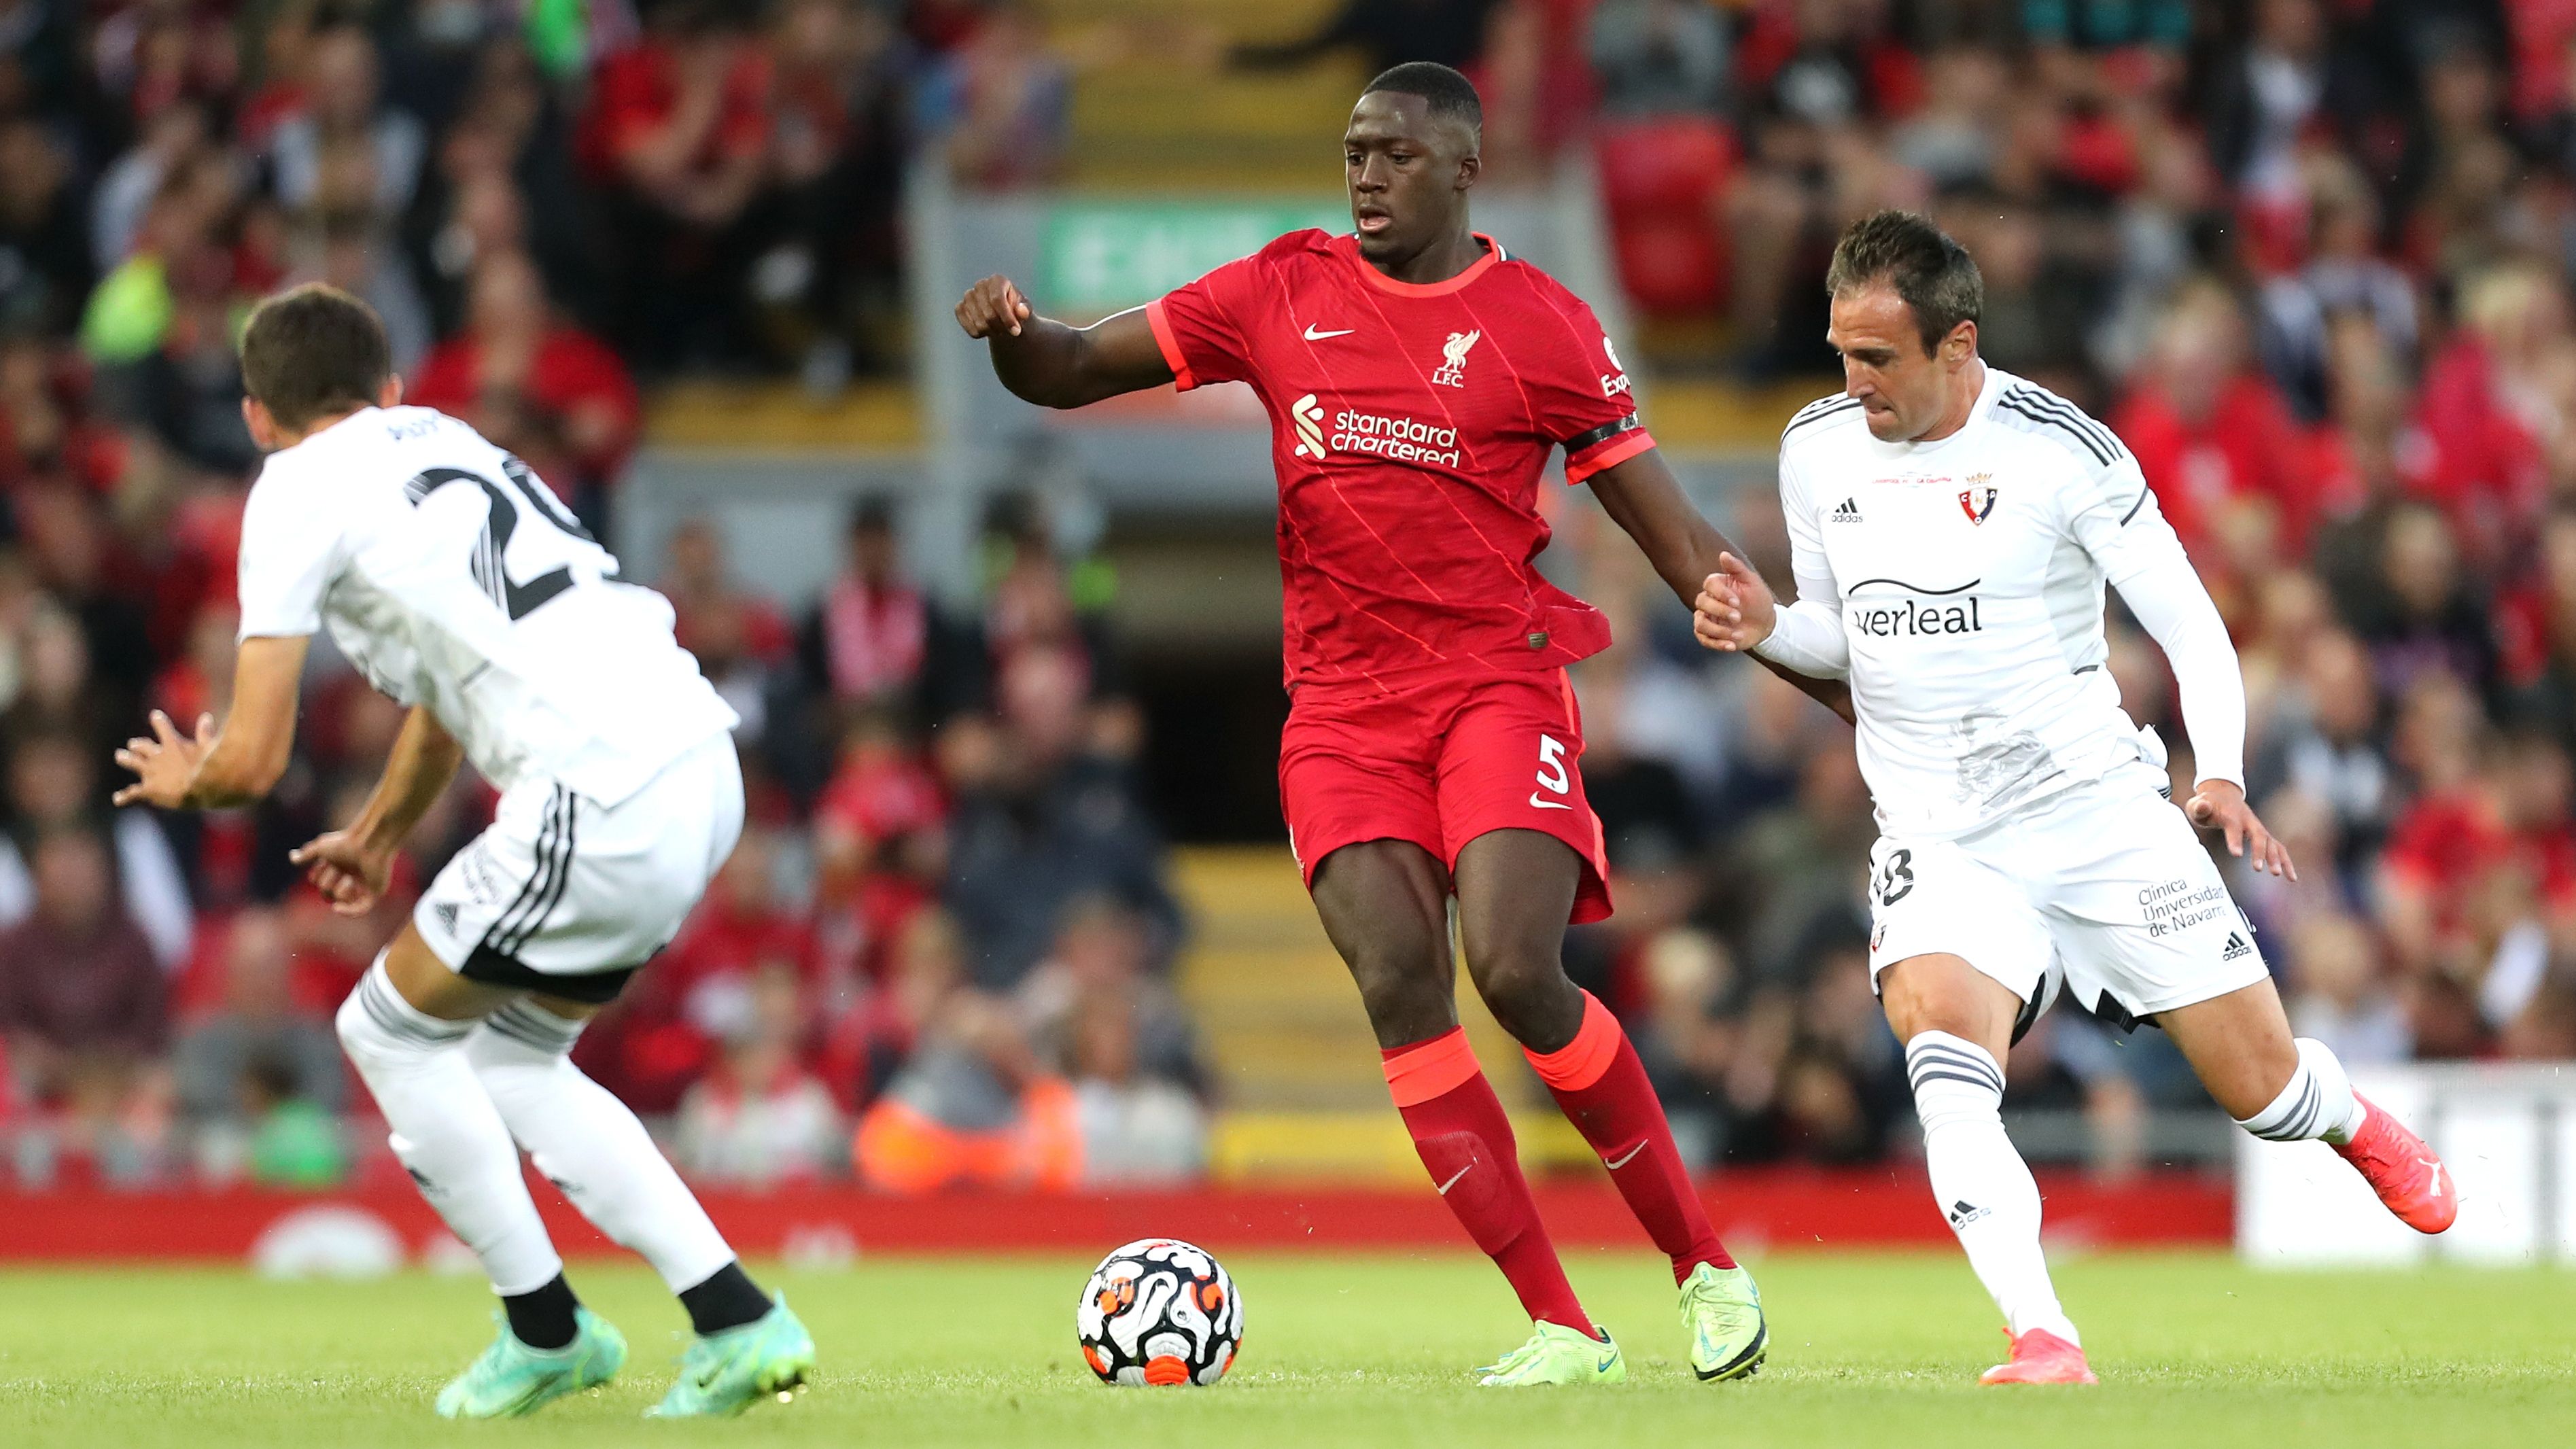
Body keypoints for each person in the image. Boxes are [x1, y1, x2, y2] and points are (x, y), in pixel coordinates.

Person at [955, 62, 1841, 1386]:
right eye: (1354, 151)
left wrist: (1800, 655)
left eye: (1394, 155)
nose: (1365, 175)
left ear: (1463, 167)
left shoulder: (1542, 325)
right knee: (1395, 985)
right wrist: (1012, 329)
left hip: (1493, 681)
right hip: (1338, 708)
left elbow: (1667, 529)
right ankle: (1557, 1322)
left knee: (1514, 967)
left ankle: (1701, 1267)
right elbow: (1074, 369)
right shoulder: (1278, 288)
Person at [1692, 211, 2458, 1387]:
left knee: (2260, 1093)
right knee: (1942, 1056)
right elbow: (1839, 636)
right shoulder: (1815, 449)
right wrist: (1767, 629)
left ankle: (2342, 1115)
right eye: (1839, 353)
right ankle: (2042, 1337)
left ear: (1958, 345)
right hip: (1941, 833)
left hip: (2097, 816)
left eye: (1877, 358)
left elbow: (2189, 620)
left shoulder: (2063, 451)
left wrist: (2220, 771)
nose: (1852, 383)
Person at [111, 283, 814, 1419]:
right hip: (696, 758)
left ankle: (548, 1331)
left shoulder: (291, 486)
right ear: (387, 392)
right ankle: (733, 1319)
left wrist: (199, 778)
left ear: (253, 417)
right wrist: (383, 834)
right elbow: (449, 694)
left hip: (597, 786)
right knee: (510, 1060)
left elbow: (250, 757)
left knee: (379, 1028)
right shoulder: (446, 439)